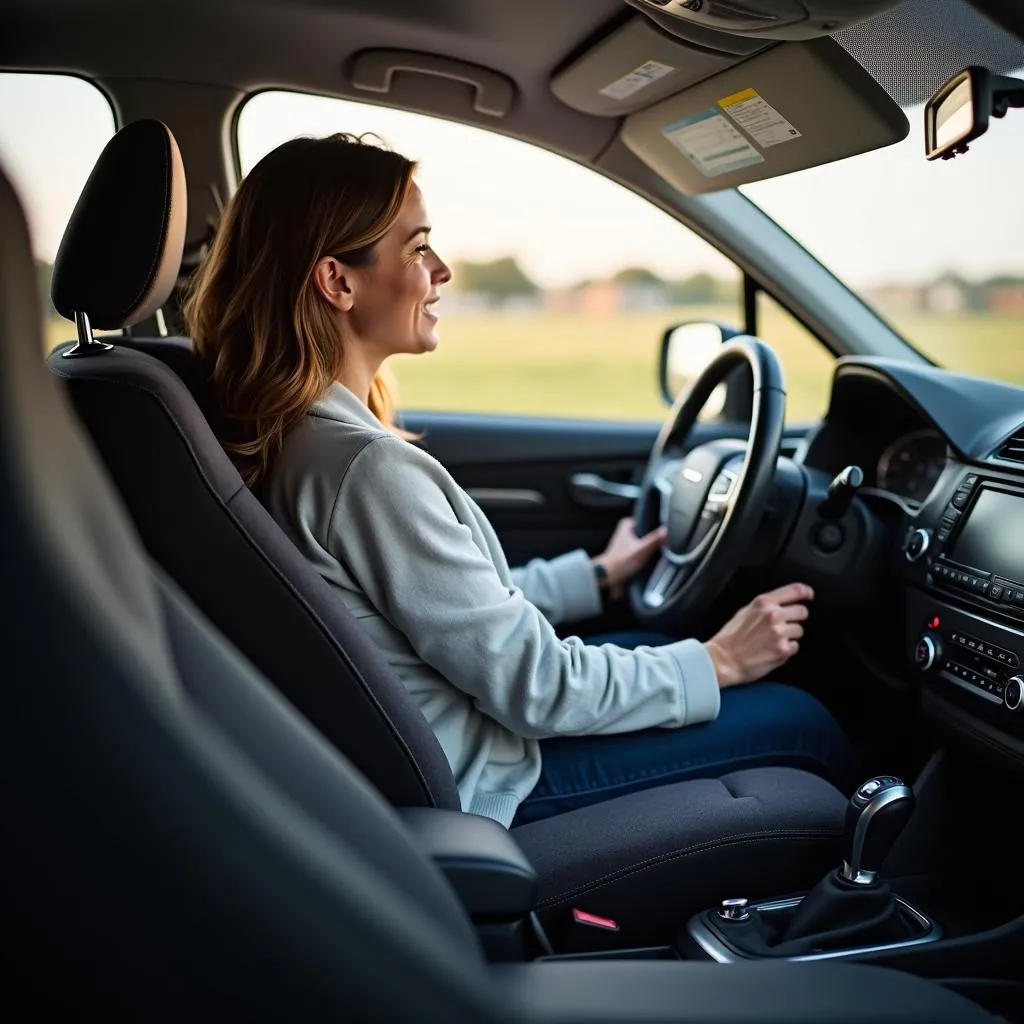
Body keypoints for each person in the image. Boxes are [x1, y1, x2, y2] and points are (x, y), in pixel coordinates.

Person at [185, 133, 857, 829]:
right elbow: (536, 688)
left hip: (456, 741)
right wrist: (719, 660)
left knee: (653, 657)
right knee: (800, 721)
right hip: (486, 781)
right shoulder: (363, 468)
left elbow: (447, 614)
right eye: (418, 248)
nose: (442, 270)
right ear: (337, 281)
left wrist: (595, 578)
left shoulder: (305, 437)